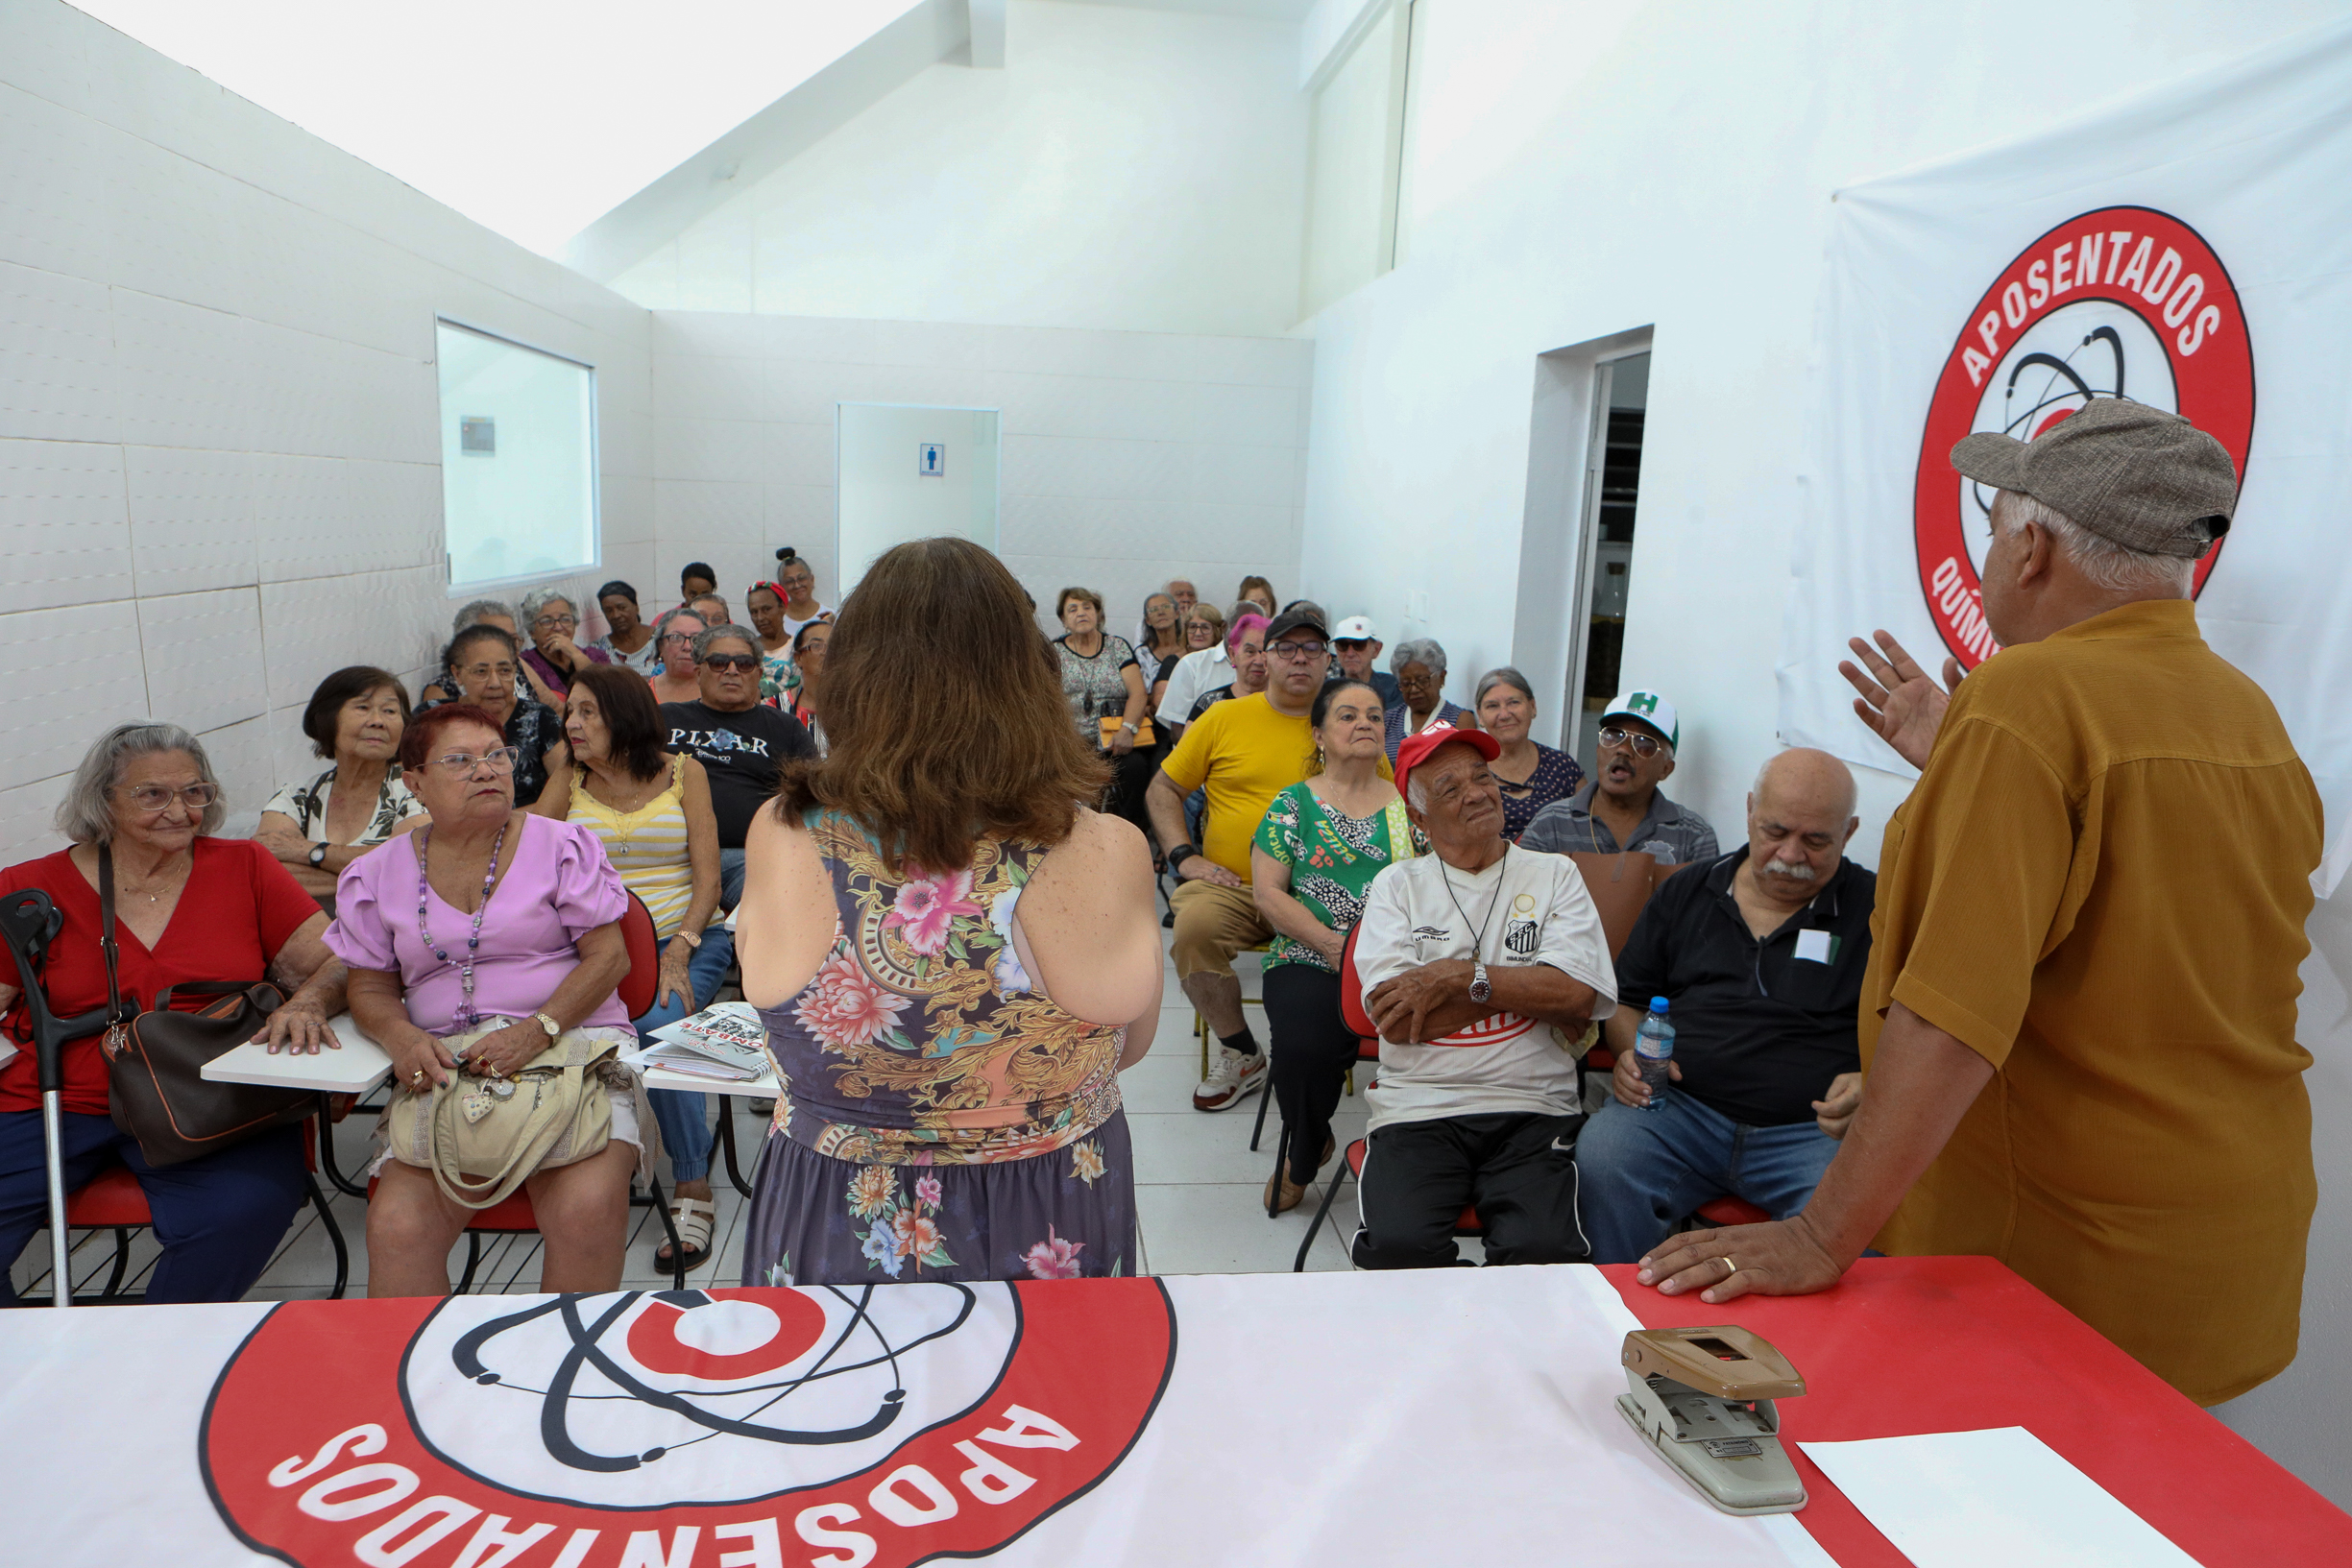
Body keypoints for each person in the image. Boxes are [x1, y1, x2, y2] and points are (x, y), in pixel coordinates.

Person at [1640, 398, 2320, 1409]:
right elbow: (2146, 952)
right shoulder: (2246, 712)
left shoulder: (2027, 703)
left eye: (1996, 525)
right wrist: (1965, 761)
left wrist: (1822, 1234)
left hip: (2060, 1264)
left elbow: (1951, 1014)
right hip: (2220, 1246)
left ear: (2032, 547)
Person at [735, 537, 1162, 1286]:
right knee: (1039, 1399)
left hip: (837, 1209)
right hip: (1049, 1207)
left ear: (851, 678)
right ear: (1030, 674)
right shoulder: (1107, 846)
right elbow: (1122, 1047)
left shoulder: (785, 832)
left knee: (846, 1393)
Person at [0, 724, 346, 1305]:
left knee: (245, 1210)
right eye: (152, 794)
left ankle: (152, 1357)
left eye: (195, 792)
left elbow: (342, 961)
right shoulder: (30, 888)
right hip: (60, 1096)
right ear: (101, 801)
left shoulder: (245, 867)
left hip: (205, 1090)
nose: (179, 811)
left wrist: (307, 1001)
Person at [328, 703, 650, 1297]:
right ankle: (416, 1375)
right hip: (445, 1065)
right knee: (398, 1226)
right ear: (414, 781)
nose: (487, 771)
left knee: (586, 1211)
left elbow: (611, 959)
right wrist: (402, 1040)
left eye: (496, 756)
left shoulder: (563, 845)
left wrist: (537, 1030)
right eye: (460, 760)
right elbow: (369, 985)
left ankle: (571, 1372)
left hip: (570, 1048)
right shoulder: (375, 873)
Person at [1576, 750, 1873, 1264]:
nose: (1791, 854)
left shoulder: (1878, 910)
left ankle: (1801, 1344)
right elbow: (1625, 1000)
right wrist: (1631, 1058)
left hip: (1813, 1135)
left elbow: (1920, 1028)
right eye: (1775, 831)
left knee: (1863, 1207)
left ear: (1848, 833)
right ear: (1751, 810)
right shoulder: (1690, 890)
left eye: (1816, 840)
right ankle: (1625, 1313)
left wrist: (1875, 1078)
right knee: (1605, 1153)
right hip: (1680, 1115)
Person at [1348, 724, 1614, 1267]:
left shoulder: (1555, 874)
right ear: (1419, 819)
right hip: (1418, 1106)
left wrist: (1454, 977)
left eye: (1482, 776)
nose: (1476, 792)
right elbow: (1397, 1023)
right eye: (1450, 788)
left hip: (1532, 1105)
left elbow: (1577, 998)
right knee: (1399, 1249)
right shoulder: (1396, 887)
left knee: (1540, 1251)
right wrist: (1529, 987)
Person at [532, 665, 728, 1271]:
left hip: (686, 936)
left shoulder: (683, 772)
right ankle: (584, 1158)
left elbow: (709, 878)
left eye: (588, 711)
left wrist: (679, 948)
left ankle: (692, 1183)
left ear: (624, 714)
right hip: (596, 949)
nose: (573, 724)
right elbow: (530, 856)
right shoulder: (568, 779)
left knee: (657, 1023)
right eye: (571, 713)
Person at [1148, 607, 1336, 1112]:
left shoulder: (1344, 721)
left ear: (1327, 662)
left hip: (1320, 895)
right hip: (1230, 886)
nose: (1300, 658)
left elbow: (1381, 806)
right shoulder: (1224, 717)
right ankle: (1241, 1051)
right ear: (1263, 660)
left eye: (1312, 649)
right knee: (1192, 930)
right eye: (1286, 648)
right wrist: (1183, 855)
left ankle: (1323, 1054)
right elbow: (1163, 788)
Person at [1252, 679, 1421, 1212]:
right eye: (1347, 715)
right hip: (1310, 952)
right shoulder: (1294, 803)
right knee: (1305, 1045)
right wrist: (1331, 946)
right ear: (1319, 733)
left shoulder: (1409, 808)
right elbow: (1268, 895)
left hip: (1396, 961)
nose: (1364, 723)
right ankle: (1308, 1150)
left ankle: (1419, 1161)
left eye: (1374, 715)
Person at [660, 623, 819, 969]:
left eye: (744, 664)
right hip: (669, 853)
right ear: (699, 670)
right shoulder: (665, 718)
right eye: (719, 662)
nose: (732, 670)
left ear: (759, 673)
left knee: (781, 905)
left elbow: (815, 796)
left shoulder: (784, 728)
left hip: (744, 855)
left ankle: (766, 998)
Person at [255, 666, 427, 909]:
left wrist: (308, 851)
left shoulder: (418, 791)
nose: (378, 721)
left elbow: (407, 865)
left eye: (390, 711)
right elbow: (266, 874)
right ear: (328, 719)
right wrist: (371, 875)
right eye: (363, 708)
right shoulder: (296, 796)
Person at [1519, 689, 1719, 864]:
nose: (1623, 750)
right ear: (1598, 749)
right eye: (1613, 736)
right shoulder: (1551, 824)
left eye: (1643, 743)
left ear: (1666, 769)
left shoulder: (1694, 837)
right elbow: (1521, 900)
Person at [1053, 588, 1153, 839]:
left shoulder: (1117, 647)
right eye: (1072, 609)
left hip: (1114, 740)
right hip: (1069, 741)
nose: (1081, 613)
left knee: (1136, 768)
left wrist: (1127, 730)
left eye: (1087, 607)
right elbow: (1045, 698)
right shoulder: (1054, 652)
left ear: (1099, 614)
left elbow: (1138, 693)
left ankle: (1125, 836)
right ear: (1064, 620)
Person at [428, 624, 567, 808]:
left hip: (528, 824)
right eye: (481, 672)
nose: (495, 683)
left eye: (505, 671)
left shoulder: (538, 717)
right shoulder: (433, 718)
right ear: (457, 674)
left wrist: (516, 823)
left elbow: (567, 784)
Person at [1475, 667, 1584, 841]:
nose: (1504, 714)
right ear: (1480, 715)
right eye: (1492, 706)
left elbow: (1588, 826)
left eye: (1513, 703)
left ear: (1532, 706)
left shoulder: (1562, 766)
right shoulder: (1470, 770)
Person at [421, 599, 558, 707]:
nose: (511, 647)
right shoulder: (441, 691)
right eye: (498, 639)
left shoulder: (517, 664)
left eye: (514, 639)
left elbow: (555, 707)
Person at [1385, 639, 1476, 763]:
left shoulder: (1459, 720)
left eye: (1422, 681)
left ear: (1441, 678)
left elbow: (1465, 766)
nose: (1414, 689)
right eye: (1406, 683)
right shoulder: (1388, 720)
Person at [516, 587, 611, 701]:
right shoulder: (526, 664)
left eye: (565, 619)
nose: (558, 627)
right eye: (547, 621)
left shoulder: (595, 656)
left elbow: (609, 693)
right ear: (532, 632)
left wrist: (575, 654)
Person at [1154, 603, 1230, 737]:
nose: (1198, 633)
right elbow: (1174, 719)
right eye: (1193, 627)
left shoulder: (1231, 662)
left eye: (1205, 628)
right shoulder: (1177, 662)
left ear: (1217, 631)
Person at [1184, 614, 1268, 721]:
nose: (1259, 661)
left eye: (1266, 652)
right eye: (1250, 652)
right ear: (1232, 654)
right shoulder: (1209, 704)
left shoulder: (1286, 704)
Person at [745, 578, 799, 703]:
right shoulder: (746, 650)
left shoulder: (798, 647)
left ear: (783, 607)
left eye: (766, 609)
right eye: (754, 612)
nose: (760, 617)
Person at [1331, 615, 1402, 709]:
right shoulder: (1327, 690)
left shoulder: (1391, 688)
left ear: (1376, 649)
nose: (1350, 653)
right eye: (1342, 645)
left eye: (1359, 645)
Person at [1135, 592, 1189, 709]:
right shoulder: (1142, 654)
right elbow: (1139, 694)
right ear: (1148, 621)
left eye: (1165, 607)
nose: (1160, 612)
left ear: (1177, 614)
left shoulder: (1190, 649)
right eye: (1153, 610)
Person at [596, 581, 663, 675]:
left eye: (622, 608)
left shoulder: (662, 638)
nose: (616, 615)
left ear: (636, 607)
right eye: (609, 611)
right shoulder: (599, 650)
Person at [647, 607, 707, 706]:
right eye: (676, 638)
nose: (687, 647)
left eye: (696, 639)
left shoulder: (720, 690)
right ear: (660, 646)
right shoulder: (643, 694)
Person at [788, 619, 831, 751]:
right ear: (798, 658)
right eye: (816, 646)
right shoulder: (776, 706)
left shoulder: (855, 706)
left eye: (833, 645)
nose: (826, 652)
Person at [774, 547, 833, 639]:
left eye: (801, 578)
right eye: (790, 581)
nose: (797, 585)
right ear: (781, 587)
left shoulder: (829, 617)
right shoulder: (776, 620)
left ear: (812, 579)